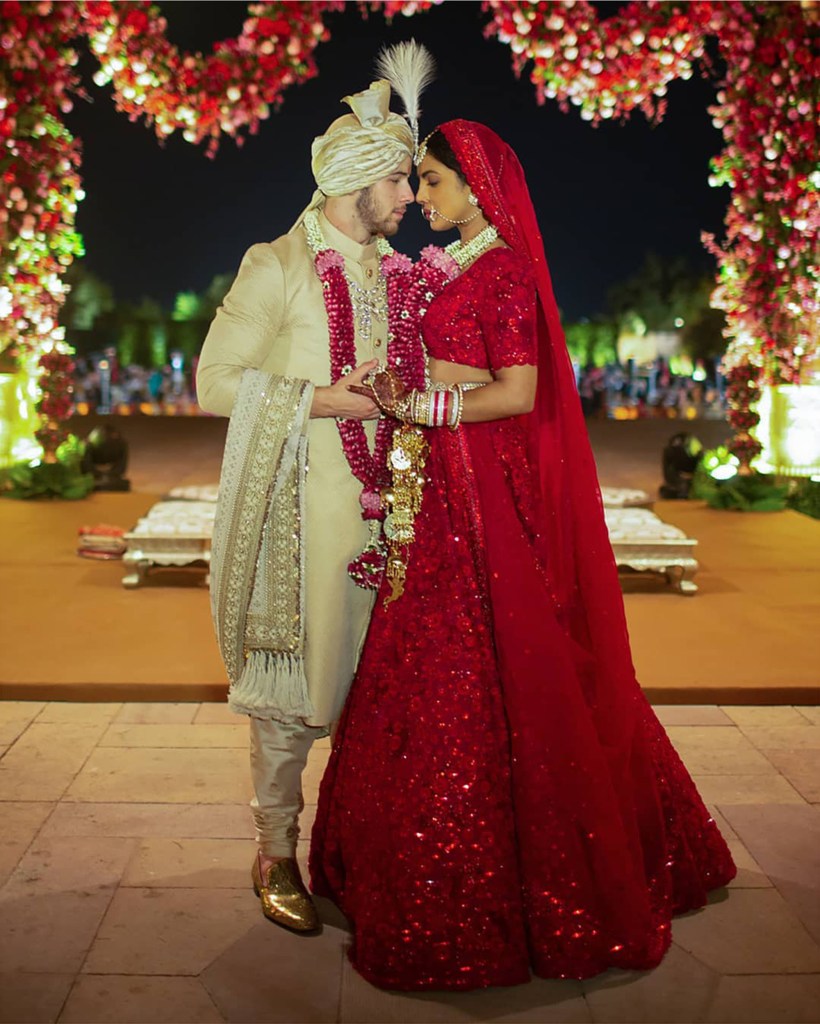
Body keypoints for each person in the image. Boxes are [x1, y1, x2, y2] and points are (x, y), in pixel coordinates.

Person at [309, 120, 736, 990]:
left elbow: (520, 390)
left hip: (477, 486)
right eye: (417, 183)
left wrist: (423, 405)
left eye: (431, 181)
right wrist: (411, 386)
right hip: (444, 481)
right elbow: (452, 364)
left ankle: (516, 881)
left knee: (497, 655)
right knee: (437, 658)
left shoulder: (502, 269)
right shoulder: (460, 262)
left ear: (476, 185)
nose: (420, 197)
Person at [196, 75, 416, 933]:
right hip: (299, 516)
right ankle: (276, 848)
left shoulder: (404, 277)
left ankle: (360, 847)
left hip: (391, 511)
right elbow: (213, 382)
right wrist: (320, 400)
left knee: (386, 690)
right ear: (358, 178)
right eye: (398, 180)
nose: (409, 195)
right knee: (294, 694)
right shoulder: (276, 265)